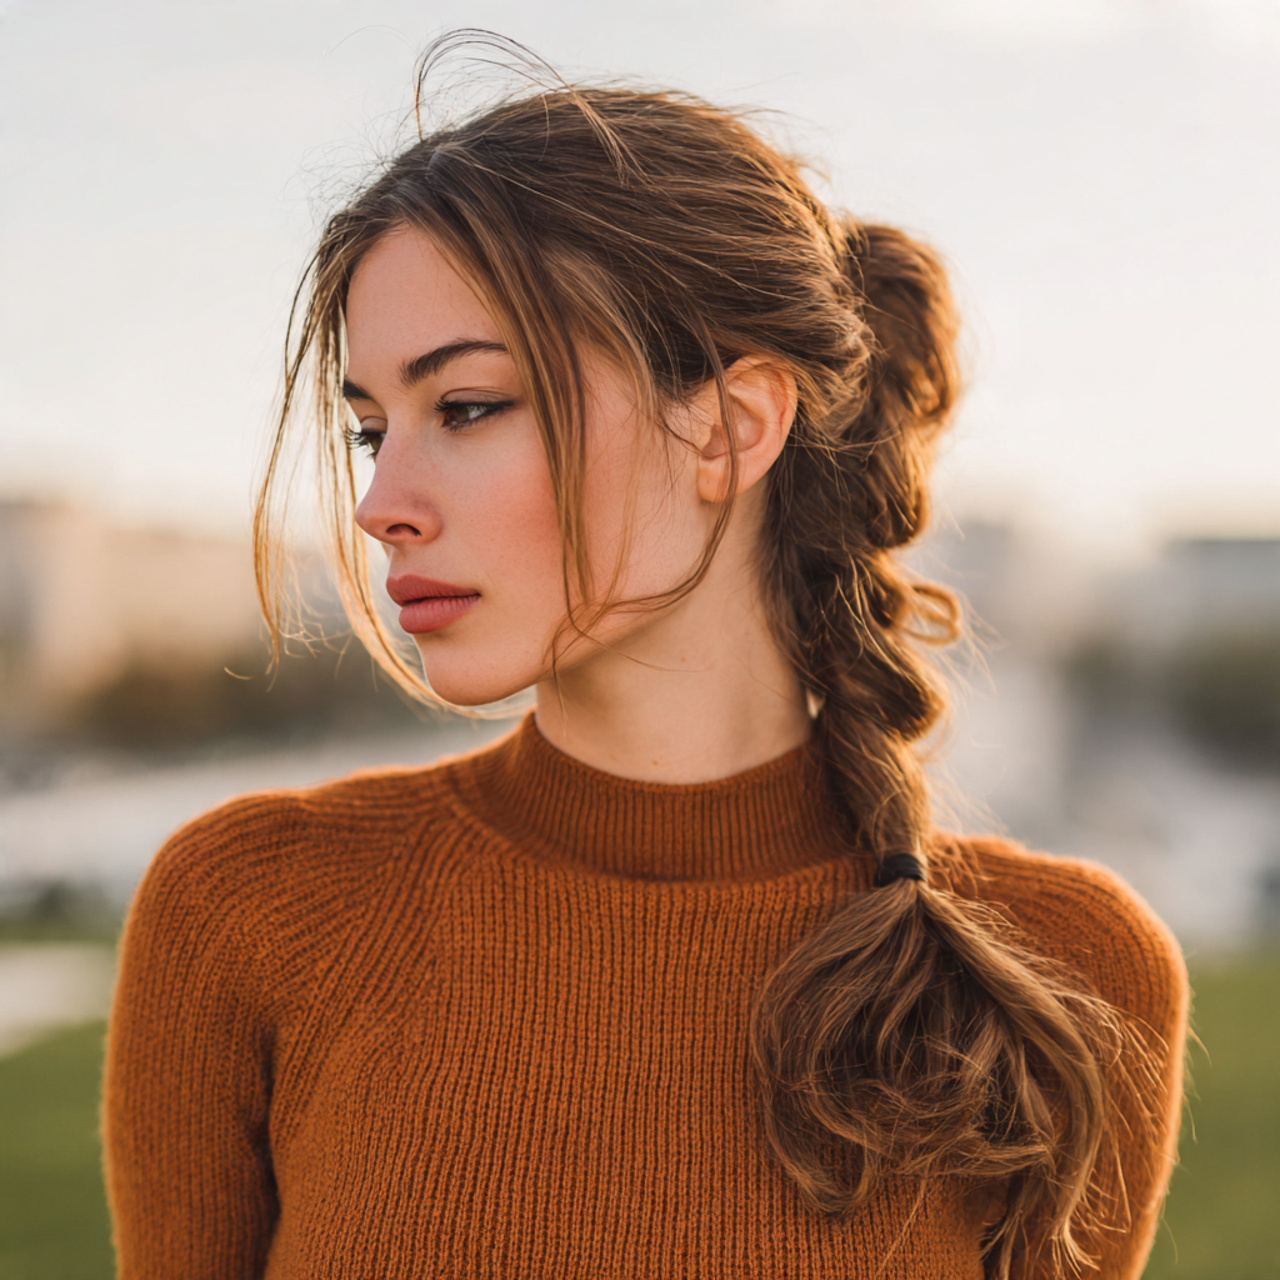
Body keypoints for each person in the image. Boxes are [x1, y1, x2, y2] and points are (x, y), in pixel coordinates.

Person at [104, 44, 1188, 1280]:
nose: (380, 503)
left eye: (466, 406)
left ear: (727, 427)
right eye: (368, 429)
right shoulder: (250, 909)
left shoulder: (1062, 971)